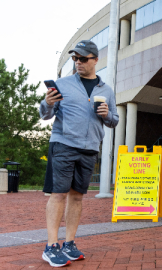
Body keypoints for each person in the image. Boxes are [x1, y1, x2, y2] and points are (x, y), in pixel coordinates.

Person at [39, 40, 119, 267]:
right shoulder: (62, 84)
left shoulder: (106, 90)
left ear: (95, 60)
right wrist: (47, 103)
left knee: (77, 196)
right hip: (63, 144)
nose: (78, 63)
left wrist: (106, 115)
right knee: (59, 194)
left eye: (83, 59)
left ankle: (69, 243)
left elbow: (114, 120)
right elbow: (44, 115)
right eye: (75, 59)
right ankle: (51, 246)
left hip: (90, 147)